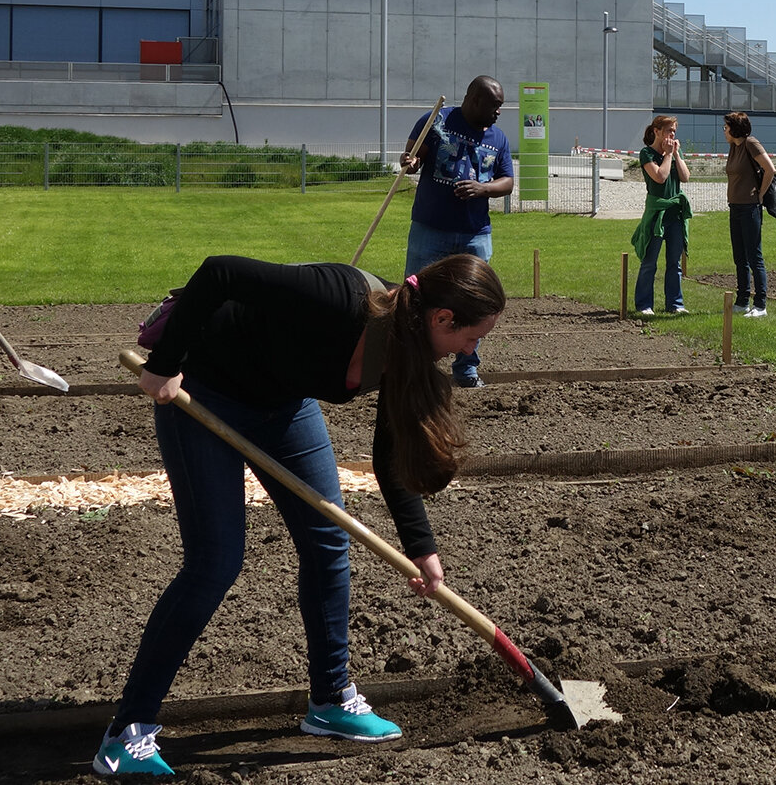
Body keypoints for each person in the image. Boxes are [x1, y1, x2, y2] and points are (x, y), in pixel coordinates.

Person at [96, 252, 506, 777]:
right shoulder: (337, 297)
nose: (472, 351)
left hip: (284, 405)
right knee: (215, 562)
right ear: (442, 318)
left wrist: (420, 547)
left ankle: (330, 700)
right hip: (206, 391)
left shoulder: (408, 347)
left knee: (328, 539)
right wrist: (165, 364)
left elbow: (391, 450)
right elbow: (221, 272)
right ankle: (126, 732)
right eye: (473, 339)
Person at [401, 76, 515, 388]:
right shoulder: (437, 119)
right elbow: (413, 156)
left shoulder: (499, 138)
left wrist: (483, 188)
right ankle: (415, 368)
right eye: (495, 106)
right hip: (430, 228)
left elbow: (507, 181)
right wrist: (410, 162)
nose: (499, 112)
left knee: (477, 303)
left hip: (474, 233)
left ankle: (466, 370)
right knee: (416, 298)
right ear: (474, 100)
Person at [632, 115, 691, 316]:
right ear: (657, 131)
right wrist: (667, 155)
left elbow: (685, 177)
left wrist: (676, 155)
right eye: (668, 130)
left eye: (674, 131)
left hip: (675, 215)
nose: (672, 134)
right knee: (650, 261)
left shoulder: (674, 152)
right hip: (657, 214)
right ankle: (644, 304)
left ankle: (675, 304)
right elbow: (659, 177)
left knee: (674, 262)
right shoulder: (646, 153)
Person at [723, 112, 776, 318]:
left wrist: (760, 195)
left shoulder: (750, 143)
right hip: (735, 207)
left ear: (735, 128)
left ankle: (760, 305)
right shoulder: (733, 147)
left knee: (754, 256)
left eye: (726, 127)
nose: (724, 131)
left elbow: (770, 169)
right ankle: (742, 301)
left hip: (749, 208)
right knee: (739, 257)